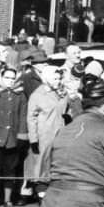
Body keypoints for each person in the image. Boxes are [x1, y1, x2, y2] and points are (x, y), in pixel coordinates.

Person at [25, 65, 69, 199]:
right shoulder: (37, 95)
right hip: (44, 134)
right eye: (55, 78)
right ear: (47, 78)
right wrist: (33, 139)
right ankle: (41, 191)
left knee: (57, 162)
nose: (58, 81)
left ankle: (55, 190)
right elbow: (31, 118)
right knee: (42, 164)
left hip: (60, 133)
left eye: (59, 78)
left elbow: (65, 111)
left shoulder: (61, 92)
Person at [0, 65, 28, 207]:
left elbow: (23, 116)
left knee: (10, 169)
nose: (10, 81)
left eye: (12, 78)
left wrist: (21, 136)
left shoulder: (20, 95)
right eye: (6, 78)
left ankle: (7, 199)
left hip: (12, 139)